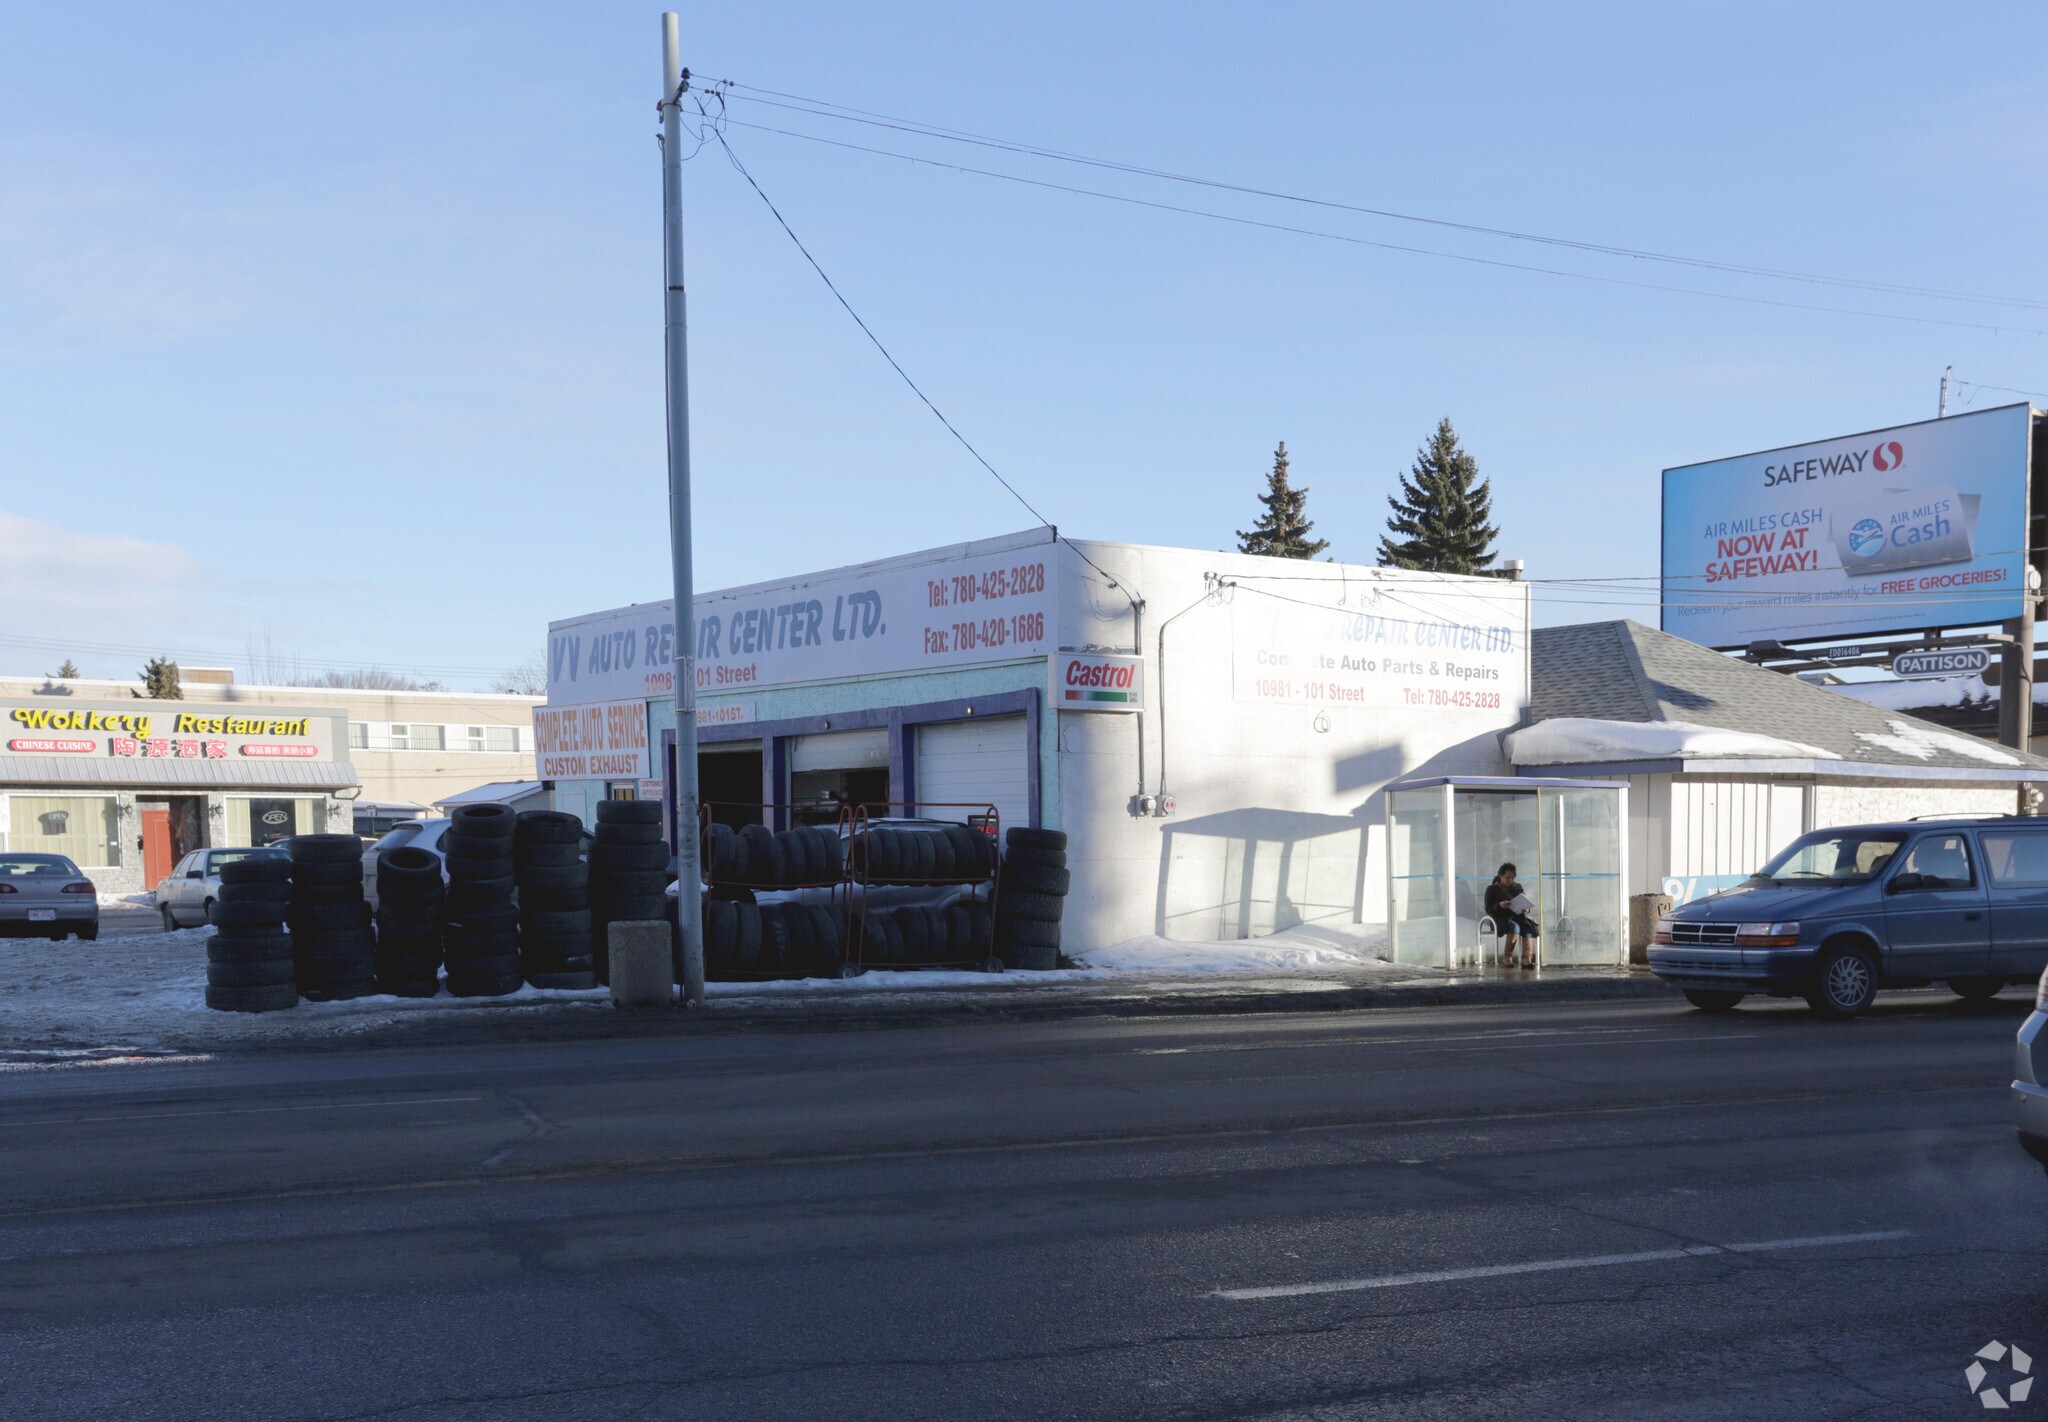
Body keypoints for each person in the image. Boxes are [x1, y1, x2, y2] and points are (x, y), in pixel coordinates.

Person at [1483, 862, 1540, 969]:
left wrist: (1526, 909)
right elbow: (1488, 908)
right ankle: (1507, 957)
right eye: (1507, 877)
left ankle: (1526, 958)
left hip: (1517, 916)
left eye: (1512, 878)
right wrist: (1499, 905)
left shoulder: (1517, 887)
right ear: (1500, 876)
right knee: (1515, 927)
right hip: (1500, 919)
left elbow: (1523, 901)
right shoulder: (1491, 889)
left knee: (1527, 927)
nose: (1510, 880)